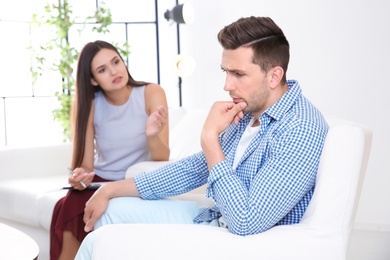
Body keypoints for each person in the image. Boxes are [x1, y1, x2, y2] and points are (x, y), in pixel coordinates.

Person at [75, 16, 329, 258]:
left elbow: (246, 220)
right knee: (109, 211)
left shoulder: (300, 128)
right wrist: (111, 189)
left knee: (99, 242)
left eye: (238, 74)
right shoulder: (250, 110)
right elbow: (193, 169)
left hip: (240, 241)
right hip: (214, 218)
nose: (227, 85)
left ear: (274, 76)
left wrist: (210, 139)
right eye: (225, 72)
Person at [50, 40, 170, 260]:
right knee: (67, 205)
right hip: (101, 180)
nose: (114, 71)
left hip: (136, 182)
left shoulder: (151, 92)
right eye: (102, 70)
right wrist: (80, 176)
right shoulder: (90, 104)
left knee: (68, 207)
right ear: (93, 80)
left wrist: (152, 135)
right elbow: (86, 165)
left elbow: (162, 158)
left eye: (116, 62)